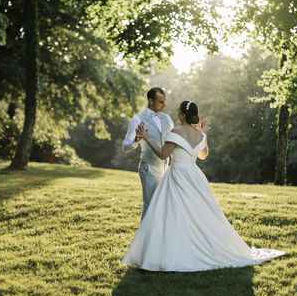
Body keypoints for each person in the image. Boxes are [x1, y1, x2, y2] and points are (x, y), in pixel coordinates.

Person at [122, 100, 284, 272]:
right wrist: (203, 133)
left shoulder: (176, 131)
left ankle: (173, 251)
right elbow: (203, 155)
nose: (177, 112)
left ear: (183, 115)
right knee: (199, 212)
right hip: (195, 176)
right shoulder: (200, 135)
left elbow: (163, 155)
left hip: (178, 175)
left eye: (179, 111)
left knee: (171, 213)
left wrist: (145, 137)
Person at [122, 87, 174, 220]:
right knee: (151, 206)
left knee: (164, 206)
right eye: (160, 102)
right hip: (149, 168)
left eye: (164, 101)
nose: (164, 105)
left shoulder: (167, 119)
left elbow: (173, 141)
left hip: (166, 168)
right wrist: (135, 140)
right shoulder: (138, 120)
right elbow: (125, 146)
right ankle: (145, 239)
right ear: (150, 101)